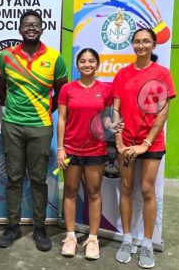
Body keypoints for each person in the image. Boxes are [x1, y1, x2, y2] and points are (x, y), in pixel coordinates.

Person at [0, 10, 68, 251]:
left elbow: (62, 93)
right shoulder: (5, 57)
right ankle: (13, 226)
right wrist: (15, 109)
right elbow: (0, 89)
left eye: (35, 24)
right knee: (14, 178)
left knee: (38, 180)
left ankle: (40, 228)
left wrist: (45, 110)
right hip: (12, 126)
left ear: (42, 28)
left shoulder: (55, 58)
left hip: (41, 126)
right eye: (27, 24)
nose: (31, 28)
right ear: (19, 28)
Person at [113, 28, 176, 269]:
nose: (141, 45)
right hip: (126, 141)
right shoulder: (122, 74)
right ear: (132, 44)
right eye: (137, 42)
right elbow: (116, 109)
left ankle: (147, 243)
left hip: (152, 143)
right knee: (126, 188)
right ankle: (127, 239)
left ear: (153, 45)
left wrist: (146, 143)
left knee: (147, 189)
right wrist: (119, 139)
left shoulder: (162, 73)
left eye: (146, 41)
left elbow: (163, 111)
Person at [57, 48, 114, 259]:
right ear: (77, 64)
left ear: (97, 64)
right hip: (71, 150)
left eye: (91, 61)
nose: (87, 64)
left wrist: (113, 126)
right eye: (82, 61)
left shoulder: (105, 89)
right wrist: (61, 148)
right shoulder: (67, 89)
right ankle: (70, 236)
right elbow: (62, 119)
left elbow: (108, 118)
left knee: (94, 193)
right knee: (70, 191)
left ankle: (92, 239)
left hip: (96, 150)